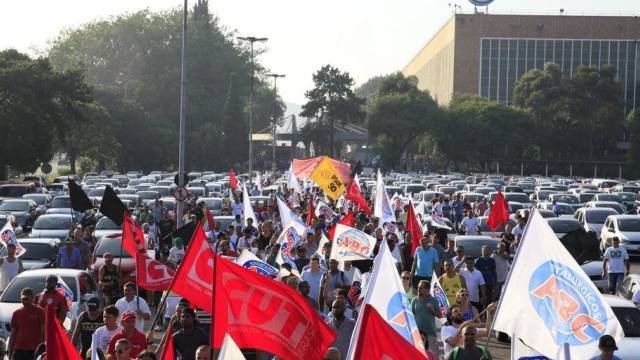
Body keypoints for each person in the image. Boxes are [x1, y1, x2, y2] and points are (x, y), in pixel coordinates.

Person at [8, 288, 44, 360]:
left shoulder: (40, 311)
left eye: (27, 299)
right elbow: (13, 334)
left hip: (34, 350)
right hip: (19, 349)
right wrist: (10, 354)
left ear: (33, 298)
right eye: (23, 299)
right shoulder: (16, 313)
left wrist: (43, 348)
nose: (25, 301)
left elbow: (44, 331)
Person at [411, 280, 442, 355]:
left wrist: (432, 310)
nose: (418, 289)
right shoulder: (414, 301)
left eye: (421, 288)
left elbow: (440, 315)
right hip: (418, 334)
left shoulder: (434, 300)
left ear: (427, 289)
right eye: (418, 287)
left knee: (433, 356)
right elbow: (411, 316)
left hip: (430, 334)